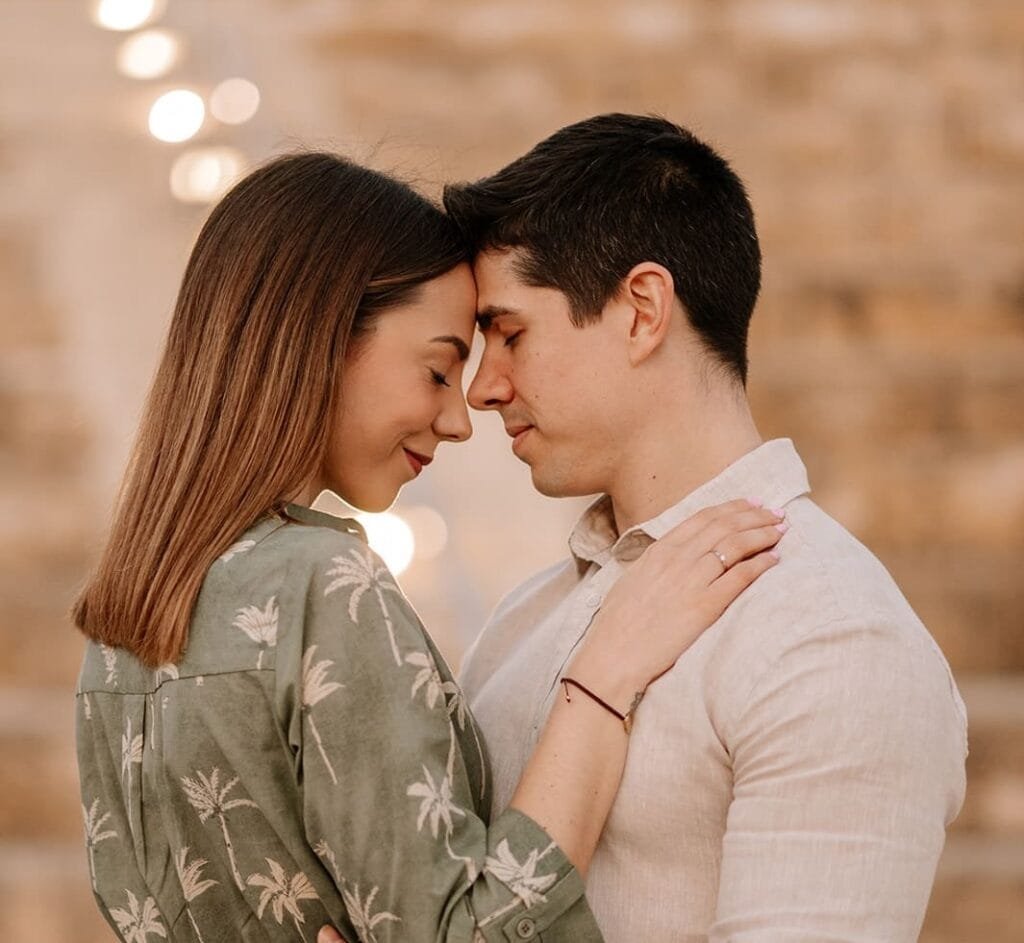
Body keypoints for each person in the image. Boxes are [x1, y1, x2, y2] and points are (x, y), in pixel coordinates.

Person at [72, 152, 785, 943]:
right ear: (325, 335)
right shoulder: (325, 585)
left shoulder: (119, 637)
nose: (459, 416)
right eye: (440, 369)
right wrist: (605, 670)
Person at [437, 114, 969, 942]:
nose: (483, 388)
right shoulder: (519, 624)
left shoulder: (832, 636)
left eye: (510, 334)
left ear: (643, 309)